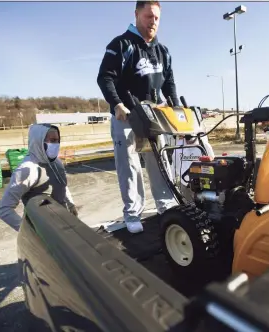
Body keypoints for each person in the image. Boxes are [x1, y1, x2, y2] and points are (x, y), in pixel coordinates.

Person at [97, 1, 179, 233]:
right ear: (136, 14)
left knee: (160, 159)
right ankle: (133, 213)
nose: (153, 22)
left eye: (156, 18)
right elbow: (105, 78)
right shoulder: (121, 44)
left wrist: (175, 106)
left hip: (154, 115)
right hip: (128, 115)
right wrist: (117, 105)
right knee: (129, 165)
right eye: (148, 16)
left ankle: (166, 205)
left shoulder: (163, 51)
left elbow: (169, 82)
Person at [0, 124, 77, 231]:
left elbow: (61, 184)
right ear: (38, 141)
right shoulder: (28, 169)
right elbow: (4, 209)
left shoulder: (56, 163)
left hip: (63, 224)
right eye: (52, 140)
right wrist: (30, 232)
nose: (56, 144)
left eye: (57, 140)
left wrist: (71, 205)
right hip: (46, 231)